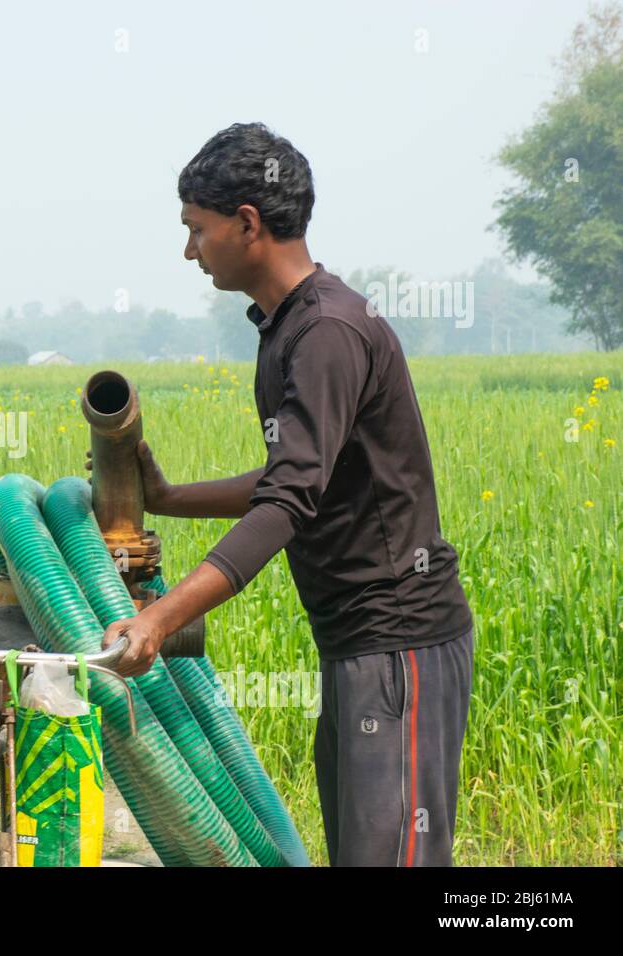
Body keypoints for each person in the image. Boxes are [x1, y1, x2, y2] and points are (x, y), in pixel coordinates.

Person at [99, 122, 474, 867]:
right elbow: (298, 475)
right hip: (359, 647)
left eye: (195, 230)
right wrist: (168, 496)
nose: (188, 251)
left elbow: (289, 500)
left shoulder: (328, 331)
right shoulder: (289, 328)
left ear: (247, 224)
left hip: (398, 644)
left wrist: (161, 619)